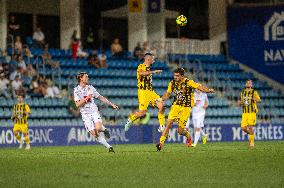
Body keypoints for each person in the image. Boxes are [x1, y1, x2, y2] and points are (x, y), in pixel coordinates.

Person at [156, 68, 214, 151]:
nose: (175, 77)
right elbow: (168, 94)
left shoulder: (188, 82)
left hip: (185, 108)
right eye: (174, 75)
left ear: (182, 76)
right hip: (175, 106)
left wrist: (207, 90)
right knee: (168, 123)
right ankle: (161, 144)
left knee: (180, 131)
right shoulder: (172, 83)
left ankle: (188, 136)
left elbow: (199, 87)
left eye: (177, 76)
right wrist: (161, 99)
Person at [74, 72, 119, 152]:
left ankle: (104, 130)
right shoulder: (76, 90)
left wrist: (112, 104)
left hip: (93, 111)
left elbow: (101, 97)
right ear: (81, 78)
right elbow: (77, 104)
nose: (88, 78)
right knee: (95, 134)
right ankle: (109, 147)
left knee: (98, 128)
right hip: (85, 114)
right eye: (86, 77)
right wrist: (86, 98)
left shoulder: (90, 88)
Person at [124, 52, 165, 132]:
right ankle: (130, 119)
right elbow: (141, 73)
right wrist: (154, 72)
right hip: (143, 92)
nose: (154, 60)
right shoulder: (141, 66)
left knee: (161, 106)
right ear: (148, 59)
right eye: (153, 58)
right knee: (142, 113)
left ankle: (162, 126)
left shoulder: (149, 68)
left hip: (151, 92)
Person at [238, 79, 261, 148]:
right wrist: (240, 103)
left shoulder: (254, 92)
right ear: (245, 84)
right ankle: (252, 134)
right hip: (245, 113)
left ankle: (251, 143)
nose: (248, 84)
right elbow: (242, 102)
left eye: (250, 83)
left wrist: (255, 99)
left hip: (252, 112)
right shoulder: (242, 92)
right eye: (247, 83)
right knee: (243, 128)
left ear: (251, 85)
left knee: (250, 127)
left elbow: (259, 100)